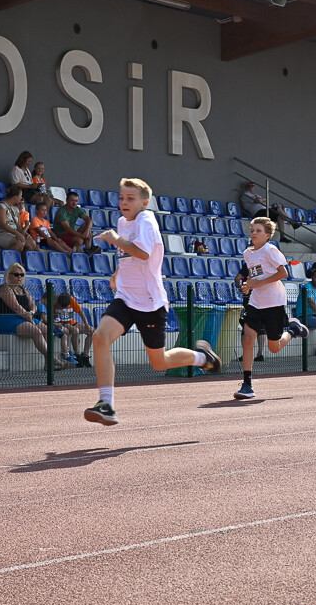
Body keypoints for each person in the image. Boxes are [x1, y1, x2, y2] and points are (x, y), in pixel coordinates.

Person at [84, 178, 222, 425]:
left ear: (144, 202)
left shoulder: (146, 220)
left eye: (131, 198)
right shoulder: (121, 222)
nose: (124, 202)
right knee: (99, 337)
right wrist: (118, 274)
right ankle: (106, 404)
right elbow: (128, 257)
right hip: (125, 298)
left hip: (150, 303)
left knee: (160, 362)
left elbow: (144, 252)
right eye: (122, 197)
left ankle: (202, 358)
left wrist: (115, 239)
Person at [233, 217, 310, 399]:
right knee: (248, 338)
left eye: (258, 231)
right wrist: (249, 286)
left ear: (267, 235)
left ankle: (293, 330)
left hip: (274, 302)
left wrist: (258, 283)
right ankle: (247, 384)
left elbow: (283, 273)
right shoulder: (248, 254)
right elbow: (254, 276)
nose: (253, 233)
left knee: (274, 348)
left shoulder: (270, 250)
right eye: (252, 230)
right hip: (255, 302)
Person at [0, 263, 58, 366]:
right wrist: (28, 317)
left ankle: (48, 364)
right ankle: (53, 359)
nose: (19, 277)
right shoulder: (5, 289)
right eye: (16, 274)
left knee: (47, 331)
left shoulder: (23, 289)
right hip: (7, 318)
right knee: (36, 331)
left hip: (24, 317)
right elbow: (16, 307)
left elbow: (33, 304)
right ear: (9, 275)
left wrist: (31, 312)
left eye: (21, 275)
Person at [0, 186, 39, 252]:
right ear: (15, 197)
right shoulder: (1, 206)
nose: (21, 198)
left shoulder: (15, 208)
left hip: (11, 234)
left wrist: (24, 234)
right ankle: (9, 261)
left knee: (31, 243)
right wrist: (18, 234)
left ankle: (21, 261)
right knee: (19, 243)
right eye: (20, 196)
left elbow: (19, 226)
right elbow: (2, 224)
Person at [53, 292, 93, 367]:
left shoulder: (72, 300)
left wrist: (87, 325)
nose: (63, 308)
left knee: (91, 331)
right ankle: (77, 354)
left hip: (72, 322)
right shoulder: (55, 301)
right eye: (61, 306)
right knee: (75, 331)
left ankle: (85, 355)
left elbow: (81, 313)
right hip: (62, 323)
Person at [54, 190, 97, 254]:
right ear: (67, 200)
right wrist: (82, 235)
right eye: (72, 201)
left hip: (71, 235)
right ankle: (85, 252)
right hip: (61, 235)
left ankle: (88, 251)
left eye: (76, 201)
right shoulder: (61, 211)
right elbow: (68, 229)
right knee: (79, 240)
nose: (74, 203)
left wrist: (87, 231)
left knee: (86, 226)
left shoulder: (77, 209)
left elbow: (89, 220)